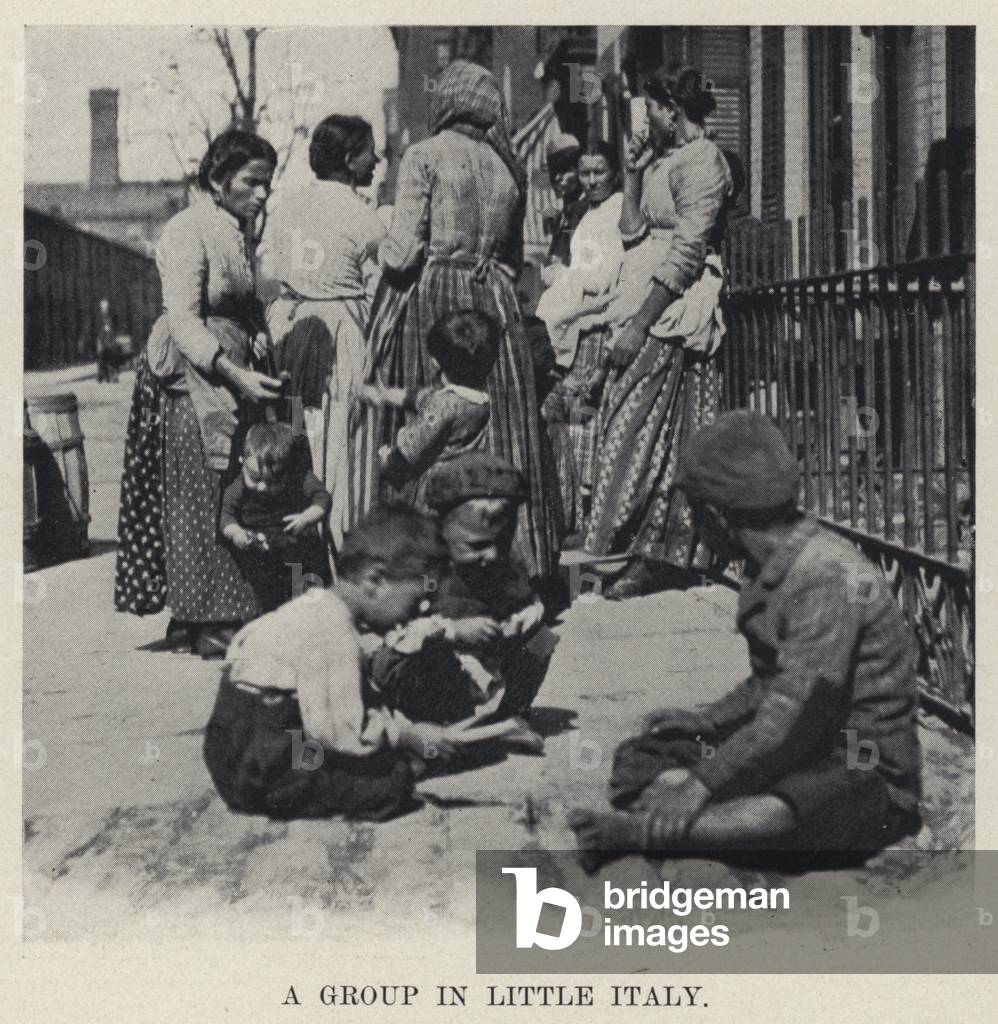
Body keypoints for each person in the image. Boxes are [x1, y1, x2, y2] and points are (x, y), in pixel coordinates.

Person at [569, 411, 923, 871]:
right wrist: (707, 720)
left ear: (715, 514)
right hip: (799, 743)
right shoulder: (770, 561)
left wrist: (702, 784)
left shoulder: (826, 577)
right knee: (646, 751)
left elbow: (797, 713)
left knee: (807, 804)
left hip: (859, 760)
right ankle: (712, 821)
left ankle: (649, 830)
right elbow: (768, 684)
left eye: (694, 512)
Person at [367, 59, 558, 586]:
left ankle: (426, 560)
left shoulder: (424, 155)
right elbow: (517, 260)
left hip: (439, 293)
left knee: (433, 425)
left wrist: (375, 245)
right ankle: (518, 560)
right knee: (505, 426)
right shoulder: (508, 168)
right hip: (494, 297)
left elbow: (402, 254)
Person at [114, 130, 284, 655]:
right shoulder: (188, 229)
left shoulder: (236, 228)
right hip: (192, 376)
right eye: (251, 183)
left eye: (267, 185)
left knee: (232, 484)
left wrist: (255, 331)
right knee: (198, 491)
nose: (261, 195)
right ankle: (202, 616)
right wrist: (232, 370)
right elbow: (185, 319)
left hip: (231, 369)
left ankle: (222, 609)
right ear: (217, 180)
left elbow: (238, 301)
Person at [203, 505, 461, 821]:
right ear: (375, 579)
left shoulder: (313, 606)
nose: (420, 608)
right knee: (391, 783)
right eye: (416, 598)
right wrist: (404, 736)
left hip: (229, 753)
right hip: (265, 770)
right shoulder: (334, 629)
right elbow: (341, 732)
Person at [583, 68, 734, 599]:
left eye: (651, 108)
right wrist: (630, 172)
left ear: (672, 109)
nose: (644, 119)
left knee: (647, 436)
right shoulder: (664, 161)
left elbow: (688, 252)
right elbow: (630, 233)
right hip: (640, 297)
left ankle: (660, 556)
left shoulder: (703, 162)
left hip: (671, 306)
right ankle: (637, 556)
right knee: (631, 431)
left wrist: (641, 323)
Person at [261, 114, 386, 555]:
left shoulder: (286, 208)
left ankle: (300, 562)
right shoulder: (363, 215)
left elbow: (269, 273)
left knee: (299, 444)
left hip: (289, 331)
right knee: (343, 452)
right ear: (351, 160)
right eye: (371, 151)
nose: (378, 159)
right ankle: (342, 559)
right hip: (340, 336)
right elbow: (383, 284)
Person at [370, 453, 549, 746]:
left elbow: (528, 601)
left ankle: (509, 713)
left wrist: (519, 619)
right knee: (400, 660)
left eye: (501, 544)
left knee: (540, 640)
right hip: (430, 665)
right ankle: (457, 729)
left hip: (478, 667)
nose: (491, 555)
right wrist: (452, 631)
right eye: (476, 546)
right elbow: (394, 631)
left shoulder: (500, 566)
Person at [535, 141, 624, 536]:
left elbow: (601, 276)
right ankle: (576, 507)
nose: (590, 181)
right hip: (578, 320)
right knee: (574, 419)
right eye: (585, 173)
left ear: (614, 173)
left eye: (599, 172)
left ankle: (591, 510)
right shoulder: (585, 213)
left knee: (588, 414)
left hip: (597, 321)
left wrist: (566, 279)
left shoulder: (616, 211)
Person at [362, 309, 498, 512]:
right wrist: (387, 394)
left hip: (434, 491)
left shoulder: (442, 404)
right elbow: (422, 397)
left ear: (436, 362)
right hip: (465, 484)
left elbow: (411, 450)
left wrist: (386, 459)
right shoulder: (478, 400)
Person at [220, 423, 332, 618]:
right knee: (262, 591)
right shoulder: (238, 485)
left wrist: (307, 517)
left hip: (292, 540)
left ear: (287, 469)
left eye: (273, 481)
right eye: (255, 478)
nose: (263, 487)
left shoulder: (297, 476)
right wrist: (236, 532)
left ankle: (309, 612)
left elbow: (322, 497)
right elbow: (225, 515)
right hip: (258, 543)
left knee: (308, 573)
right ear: (242, 462)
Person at [541, 132, 586, 269]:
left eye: (565, 170)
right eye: (554, 172)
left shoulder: (587, 211)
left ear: (579, 171)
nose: (557, 178)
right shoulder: (559, 216)